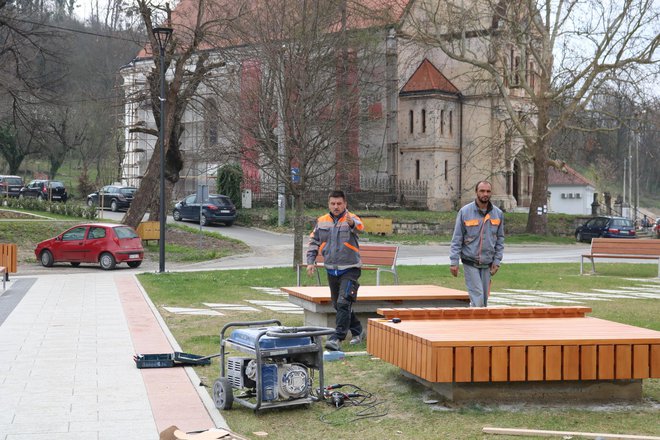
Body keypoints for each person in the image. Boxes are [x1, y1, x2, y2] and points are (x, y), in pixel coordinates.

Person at [306, 190, 364, 351]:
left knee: (344, 302)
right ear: (329, 204)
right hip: (331, 270)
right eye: (333, 203)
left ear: (345, 204)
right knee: (338, 306)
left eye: (339, 203)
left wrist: (352, 223)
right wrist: (310, 261)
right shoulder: (322, 221)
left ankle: (336, 338)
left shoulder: (352, 218)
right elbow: (314, 241)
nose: (336, 206)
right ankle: (358, 331)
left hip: (350, 269)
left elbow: (360, 228)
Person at [449, 180, 504, 307]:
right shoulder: (465, 212)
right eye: (482, 191)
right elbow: (457, 239)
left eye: (488, 191)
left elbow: (500, 240)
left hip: (487, 263)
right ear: (476, 192)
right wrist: (454, 262)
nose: (485, 194)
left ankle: (477, 324)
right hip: (470, 261)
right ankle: (477, 325)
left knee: (483, 300)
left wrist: (497, 261)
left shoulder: (498, 214)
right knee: (477, 296)